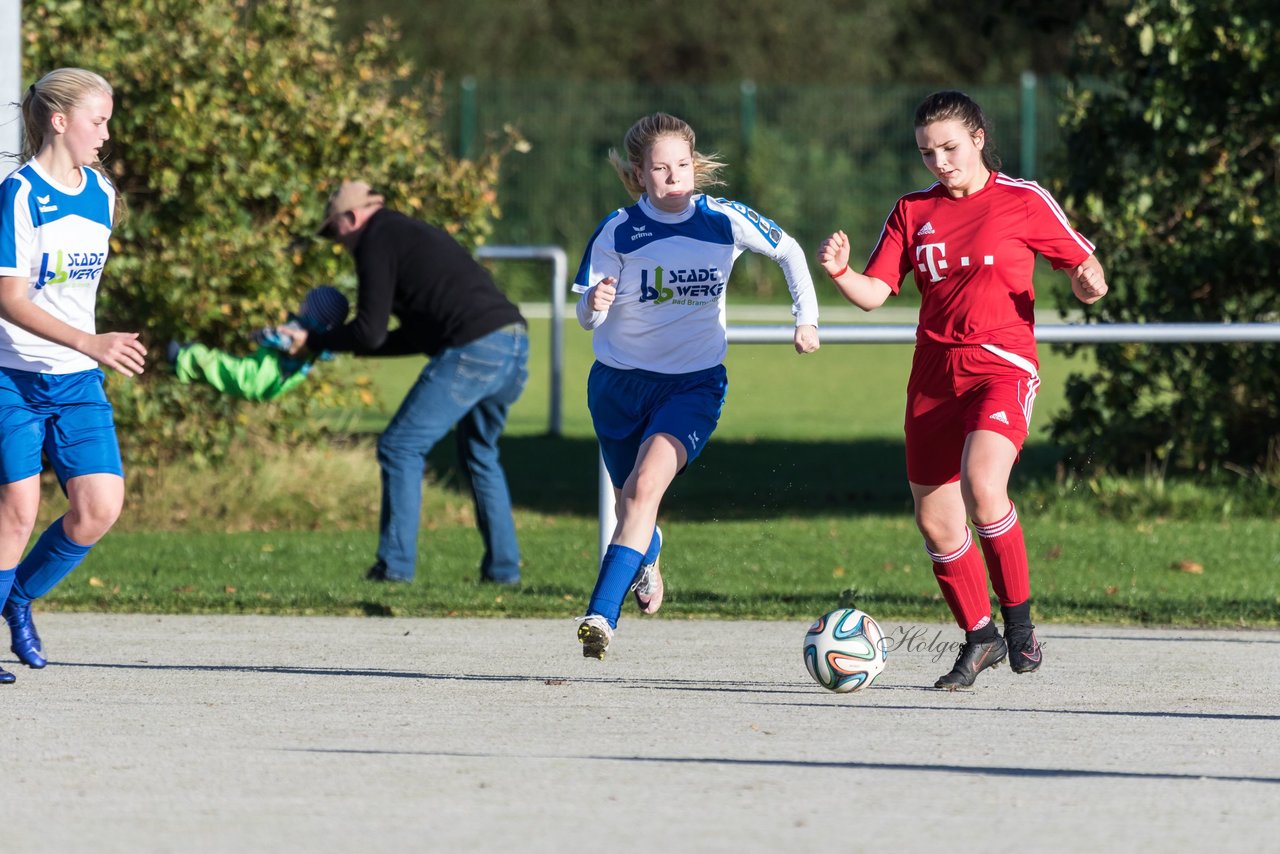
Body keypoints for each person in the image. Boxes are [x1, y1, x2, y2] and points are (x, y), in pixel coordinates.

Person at [817, 90, 1108, 690]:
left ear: (978, 138)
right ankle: (981, 639)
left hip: (1001, 364)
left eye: (950, 147)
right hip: (932, 376)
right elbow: (877, 290)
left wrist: (1086, 280)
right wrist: (842, 274)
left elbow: (1085, 269)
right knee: (936, 521)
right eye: (928, 153)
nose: (940, 161)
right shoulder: (911, 212)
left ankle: (1020, 624)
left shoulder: (1022, 201)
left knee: (983, 484)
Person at [574, 112, 820, 660]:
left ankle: (599, 617)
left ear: (695, 165)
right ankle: (650, 553)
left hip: (692, 387)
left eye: (682, 165)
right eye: (659, 169)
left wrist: (807, 319)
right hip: (617, 386)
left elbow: (790, 251)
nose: (673, 177)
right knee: (632, 503)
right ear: (639, 173)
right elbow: (585, 314)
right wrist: (593, 305)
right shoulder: (618, 229)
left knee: (641, 492)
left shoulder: (722, 220)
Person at [283, 179, 529, 585]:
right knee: (480, 455)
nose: (337, 242)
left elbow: (369, 332)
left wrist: (315, 340)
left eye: (335, 231)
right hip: (513, 342)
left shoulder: (375, 239)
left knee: (400, 446)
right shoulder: (408, 234)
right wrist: (330, 345)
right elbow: (408, 337)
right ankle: (503, 572)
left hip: (476, 347)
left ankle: (394, 568)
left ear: (352, 217)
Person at [0, 68, 147, 683]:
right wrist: (90, 340)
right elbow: (9, 297)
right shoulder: (19, 194)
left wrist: (86, 349)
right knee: (18, 510)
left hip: (76, 380)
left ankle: (20, 600)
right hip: (14, 377)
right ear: (59, 121)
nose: (106, 134)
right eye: (98, 120)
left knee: (99, 507)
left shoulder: (101, 193)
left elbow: (70, 293)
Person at [170, 285, 348, 401]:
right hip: (274, 387)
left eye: (305, 303)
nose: (301, 305)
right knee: (221, 374)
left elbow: (277, 339)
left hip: (259, 376)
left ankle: (182, 357)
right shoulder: (321, 345)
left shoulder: (297, 331)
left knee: (220, 367)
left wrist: (262, 335)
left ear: (310, 310)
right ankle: (185, 368)